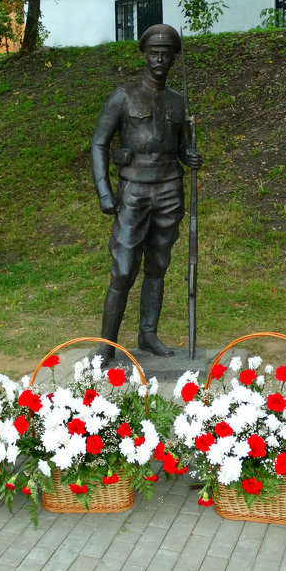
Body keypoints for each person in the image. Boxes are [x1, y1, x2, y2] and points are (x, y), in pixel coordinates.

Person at [90, 23, 203, 364]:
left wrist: (190, 156)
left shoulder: (178, 102)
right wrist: (104, 191)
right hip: (134, 190)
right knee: (124, 268)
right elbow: (98, 143)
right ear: (144, 55)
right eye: (154, 53)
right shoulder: (123, 96)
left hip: (170, 188)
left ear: (172, 58)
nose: (160, 60)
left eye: (166, 54)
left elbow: (182, 146)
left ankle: (148, 334)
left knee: (158, 265)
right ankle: (107, 344)